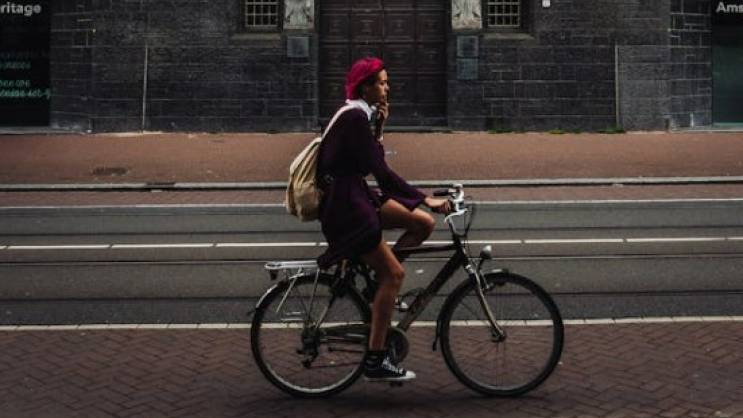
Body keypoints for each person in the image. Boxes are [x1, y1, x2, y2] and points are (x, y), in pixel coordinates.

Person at [316, 57, 450, 382]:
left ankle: (379, 284)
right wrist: (426, 198)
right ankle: (376, 359)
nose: (387, 88)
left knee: (422, 224)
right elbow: (382, 173)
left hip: (357, 195)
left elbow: (368, 160)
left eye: (386, 82)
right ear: (365, 87)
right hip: (348, 207)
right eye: (382, 83)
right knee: (395, 275)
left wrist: (380, 125)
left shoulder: (360, 115)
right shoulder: (353, 117)